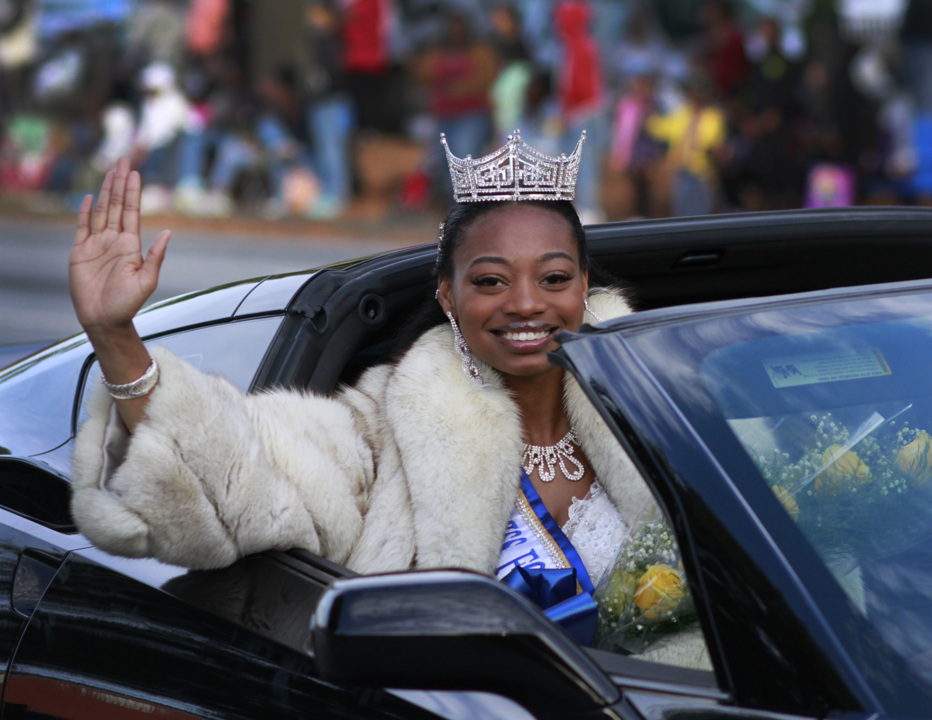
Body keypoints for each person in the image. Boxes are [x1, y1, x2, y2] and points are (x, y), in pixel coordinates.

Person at [68, 131, 709, 668]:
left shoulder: (667, 408)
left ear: (584, 284)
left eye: (554, 278)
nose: (525, 303)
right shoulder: (382, 431)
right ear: (449, 296)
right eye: (490, 280)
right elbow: (233, 472)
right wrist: (116, 337)